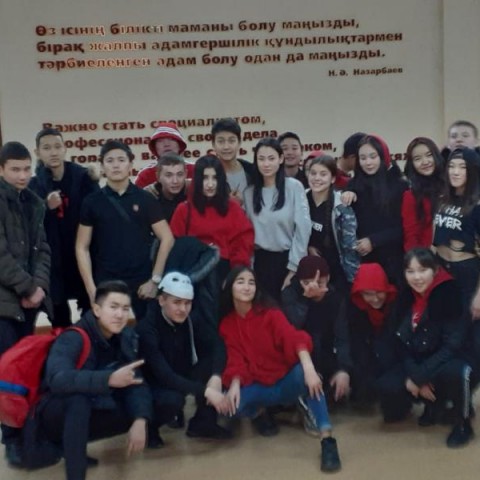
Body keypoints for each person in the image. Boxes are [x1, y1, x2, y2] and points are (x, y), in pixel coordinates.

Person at [219, 266, 341, 473]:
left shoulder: (270, 314)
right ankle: (260, 413)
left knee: (309, 378)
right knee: (231, 404)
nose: (247, 287)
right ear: (229, 286)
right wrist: (235, 384)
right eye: (240, 282)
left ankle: (327, 440)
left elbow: (293, 338)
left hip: (285, 380)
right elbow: (234, 358)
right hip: (258, 385)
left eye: (251, 282)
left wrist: (310, 369)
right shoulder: (227, 324)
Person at [39, 281, 153, 480]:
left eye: (125, 309)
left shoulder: (124, 336)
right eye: (113, 307)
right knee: (78, 401)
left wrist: (140, 419)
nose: (120, 315)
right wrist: (108, 379)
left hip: (88, 406)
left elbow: (135, 379)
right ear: (97, 309)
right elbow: (57, 379)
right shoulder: (73, 337)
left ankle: (72, 445)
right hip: (51, 414)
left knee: (149, 403)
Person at [376, 248, 475, 448]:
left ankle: (463, 424)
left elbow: (451, 347)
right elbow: (400, 341)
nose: (417, 277)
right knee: (387, 388)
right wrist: (414, 376)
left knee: (458, 372)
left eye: (423, 270)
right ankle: (433, 405)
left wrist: (419, 377)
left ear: (435, 270)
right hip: (418, 358)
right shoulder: (405, 297)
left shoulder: (451, 295)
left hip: (447, 359)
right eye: (410, 271)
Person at [76, 140, 174, 320]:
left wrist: (155, 280)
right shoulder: (92, 202)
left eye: (121, 160)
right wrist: (91, 289)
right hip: (107, 280)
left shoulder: (146, 199)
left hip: (142, 281)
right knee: (107, 332)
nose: (116, 165)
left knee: (148, 332)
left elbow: (167, 238)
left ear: (130, 164)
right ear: (102, 166)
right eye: (110, 160)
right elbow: (81, 247)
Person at [0, 141, 52, 466]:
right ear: (2, 169)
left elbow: (43, 249)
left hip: (29, 303)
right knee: (7, 374)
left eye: (26, 169)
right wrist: (28, 286)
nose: (22, 175)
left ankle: (29, 434)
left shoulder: (33, 202)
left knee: (27, 370)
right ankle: (11, 440)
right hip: (4, 304)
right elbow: (1, 256)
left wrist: (39, 287)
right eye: (15, 169)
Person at [137, 272, 231, 446]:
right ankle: (150, 427)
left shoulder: (191, 319)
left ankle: (203, 423)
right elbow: (164, 375)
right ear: (161, 300)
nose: (183, 309)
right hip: (154, 383)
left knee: (214, 365)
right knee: (172, 400)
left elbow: (218, 345)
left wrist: (216, 376)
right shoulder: (147, 329)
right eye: (177, 302)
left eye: (187, 303)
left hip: (181, 371)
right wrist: (206, 391)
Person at [170, 155, 254, 325]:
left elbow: (243, 243)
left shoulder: (233, 208)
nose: (210, 184)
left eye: (214, 178)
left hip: (224, 273)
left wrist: (234, 278)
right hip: (193, 276)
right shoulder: (184, 210)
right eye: (205, 178)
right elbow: (175, 248)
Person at [29, 127, 99, 326]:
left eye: (57, 146)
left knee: (91, 312)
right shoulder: (34, 185)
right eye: (47, 148)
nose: (53, 152)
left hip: (83, 254)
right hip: (52, 259)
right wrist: (45, 206)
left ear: (65, 148)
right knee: (58, 315)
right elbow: (27, 222)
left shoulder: (83, 177)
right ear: (37, 152)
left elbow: (97, 212)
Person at [243, 137, 311, 302]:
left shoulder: (294, 187)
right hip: (259, 264)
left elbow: (303, 228)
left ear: (280, 159)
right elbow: (247, 234)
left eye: (271, 158)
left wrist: (294, 268)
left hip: (287, 261)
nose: (266, 164)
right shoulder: (249, 193)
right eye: (261, 159)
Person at [282, 256, 353, 407]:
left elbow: (342, 337)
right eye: (307, 283)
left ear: (328, 278)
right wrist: (305, 299)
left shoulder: (336, 298)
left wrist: (343, 369)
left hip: (327, 354)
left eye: (319, 282)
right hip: (298, 356)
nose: (313, 287)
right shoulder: (290, 294)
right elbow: (293, 327)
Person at [342, 135, 408, 285]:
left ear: (383, 157)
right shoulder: (353, 184)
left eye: (373, 157)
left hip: (392, 259)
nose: (368, 162)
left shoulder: (399, 185)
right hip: (363, 261)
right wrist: (346, 195)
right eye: (363, 158)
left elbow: (403, 227)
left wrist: (374, 241)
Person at [306, 154, 360, 291]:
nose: (317, 178)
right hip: (308, 272)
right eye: (313, 173)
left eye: (323, 174)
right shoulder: (301, 199)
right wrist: (308, 247)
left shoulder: (342, 206)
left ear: (333, 178)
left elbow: (350, 247)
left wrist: (353, 279)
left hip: (338, 273)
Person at [348, 263, 397, 408]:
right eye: (368, 294)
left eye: (379, 292)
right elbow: (356, 343)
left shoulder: (397, 304)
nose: (375, 299)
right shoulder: (355, 309)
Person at [402, 137, 445, 252]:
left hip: (456, 256)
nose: (425, 162)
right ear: (412, 164)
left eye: (429, 155)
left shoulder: (450, 187)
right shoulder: (411, 196)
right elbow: (411, 236)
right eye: (417, 159)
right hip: (429, 257)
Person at [135, 122, 191, 189]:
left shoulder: (195, 169)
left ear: (180, 145)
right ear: (155, 147)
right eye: (160, 141)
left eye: (171, 139)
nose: (166, 144)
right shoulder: (146, 175)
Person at [211, 117, 253, 202]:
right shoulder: (208, 174)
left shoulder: (252, 171)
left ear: (239, 142)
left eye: (231, 141)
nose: (226, 147)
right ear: (213, 144)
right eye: (221, 141)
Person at [145, 153, 187, 223]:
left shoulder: (194, 193)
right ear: (158, 177)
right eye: (168, 175)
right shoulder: (148, 198)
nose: (175, 181)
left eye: (180, 174)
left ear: (186, 174)